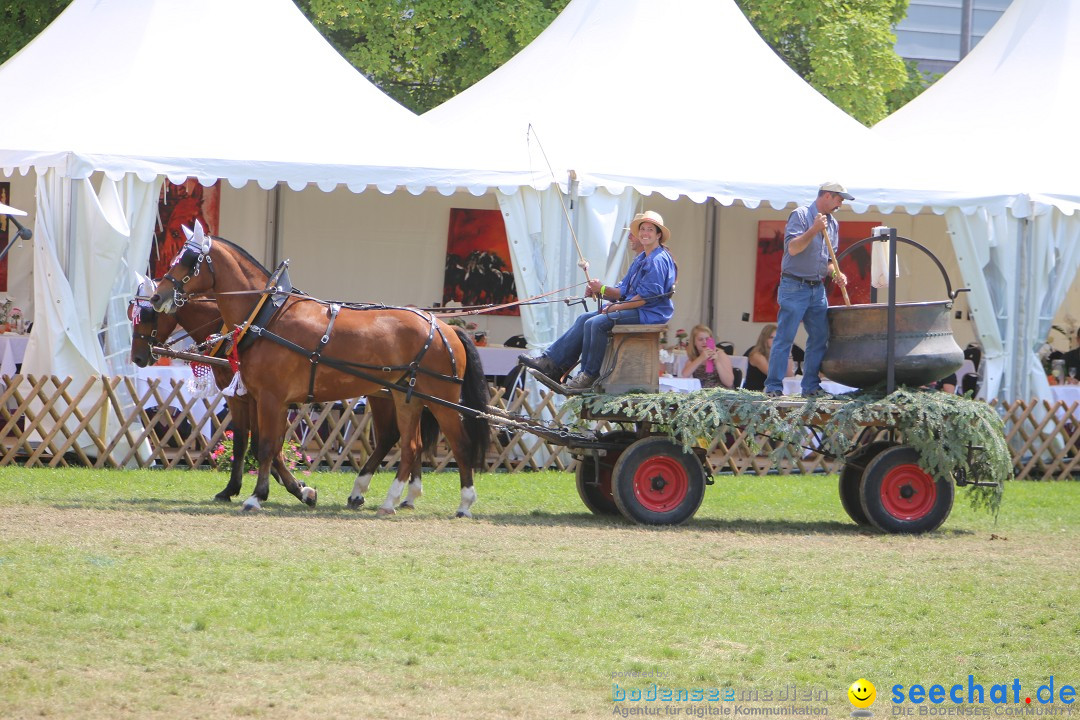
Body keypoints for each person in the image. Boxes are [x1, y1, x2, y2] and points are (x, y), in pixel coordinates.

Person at [519, 210, 677, 394]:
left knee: (598, 323)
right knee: (584, 318)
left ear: (659, 234)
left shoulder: (658, 260)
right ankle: (553, 363)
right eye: (642, 229)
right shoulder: (642, 258)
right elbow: (623, 291)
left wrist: (615, 306)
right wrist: (602, 292)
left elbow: (643, 300)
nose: (644, 233)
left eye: (650, 229)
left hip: (650, 313)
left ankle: (588, 375)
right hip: (637, 308)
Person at [764, 182, 851, 397]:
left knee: (820, 336)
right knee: (785, 337)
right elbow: (793, 248)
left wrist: (835, 273)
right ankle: (773, 388)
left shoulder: (833, 224)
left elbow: (829, 261)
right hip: (794, 285)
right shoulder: (801, 215)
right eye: (839, 199)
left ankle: (810, 386)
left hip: (817, 287)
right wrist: (813, 229)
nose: (841, 204)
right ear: (828, 196)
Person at [680, 324, 734, 389]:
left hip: (721, 393)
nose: (704, 342)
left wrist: (717, 362)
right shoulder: (694, 357)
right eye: (700, 339)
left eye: (707, 339)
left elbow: (729, 383)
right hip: (701, 394)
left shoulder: (720, 355)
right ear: (694, 342)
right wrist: (701, 358)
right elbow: (684, 375)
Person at [744, 324, 791, 392]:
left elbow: (789, 376)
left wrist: (789, 353)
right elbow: (774, 376)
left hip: (770, 391)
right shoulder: (757, 355)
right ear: (764, 339)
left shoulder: (775, 354)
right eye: (772, 337)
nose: (775, 341)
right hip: (755, 393)